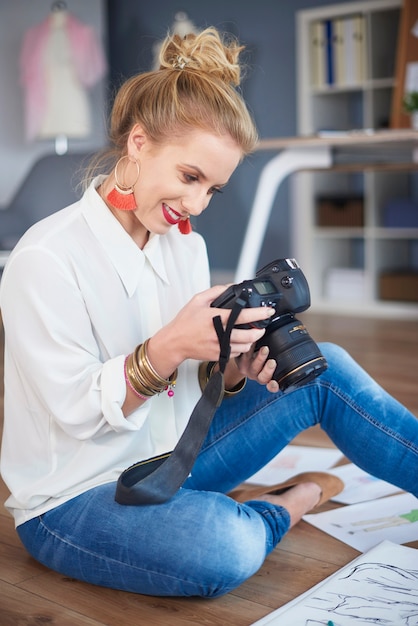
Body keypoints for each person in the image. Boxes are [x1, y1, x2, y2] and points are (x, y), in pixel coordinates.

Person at [0, 27, 417, 599]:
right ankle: (285, 505)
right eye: (190, 177)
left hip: (176, 461)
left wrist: (236, 370)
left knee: (329, 368)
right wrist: (171, 345)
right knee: (226, 549)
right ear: (139, 144)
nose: (196, 206)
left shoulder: (184, 247)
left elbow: (194, 392)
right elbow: (75, 411)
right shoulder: (45, 258)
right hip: (76, 499)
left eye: (213, 190)